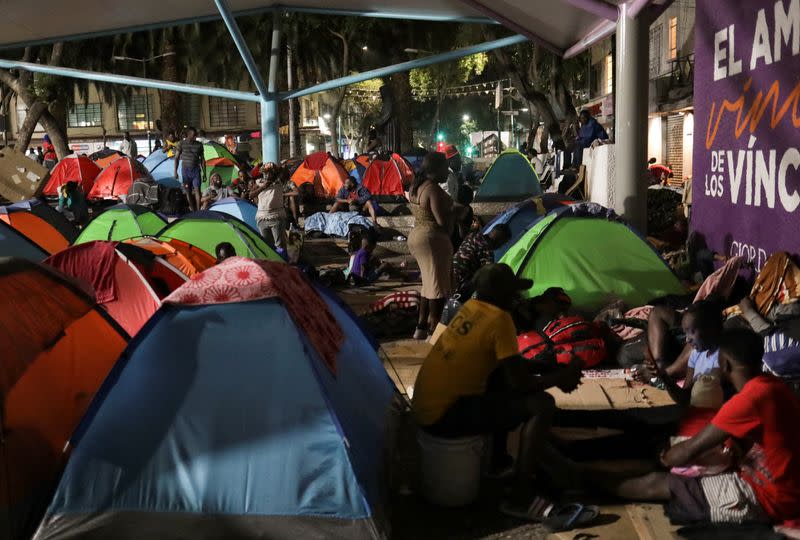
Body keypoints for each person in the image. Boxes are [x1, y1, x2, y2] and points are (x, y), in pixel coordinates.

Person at [412, 263, 584, 518]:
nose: (517, 299)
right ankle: (520, 495)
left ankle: (498, 461)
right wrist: (562, 376)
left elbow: (501, 362)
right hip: (445, 416)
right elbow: (522, 384)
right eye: (513, 293)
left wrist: (541, 365)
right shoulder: (500, 319)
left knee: (499, 380)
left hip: (426, 408)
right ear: (502, 295)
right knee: (541, 405)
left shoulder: (471, 308)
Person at [597, 328, 800, 525]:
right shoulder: (774, 385)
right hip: (779, 483)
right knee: (680, 458)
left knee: (659, 482)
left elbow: (688, 450)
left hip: (772, 499)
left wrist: (666, 457)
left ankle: (584, 479)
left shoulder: (750, 399)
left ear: (724, 363)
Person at [408, 152, 454, 339]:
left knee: (428, 284)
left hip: (417, 236)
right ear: (436, 169)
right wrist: (453, 212)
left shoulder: (416, 186)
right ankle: (433, 329)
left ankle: (420, 326)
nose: (448, 171)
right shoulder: (433, 189)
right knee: (438, 286)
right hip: (432, 238)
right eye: (445, 168)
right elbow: (440, 220)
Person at [639, 300, 724, 396]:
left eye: (691, 332)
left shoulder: (723, 359)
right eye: (685, 333)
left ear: (710, 329)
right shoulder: (695, 355)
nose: (687, 339)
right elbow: (685, 394)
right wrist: (663, 377)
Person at [452, 224, 512, 297]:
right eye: (503, 243)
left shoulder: (473, 235)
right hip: (458, 285)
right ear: (500, 241)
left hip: (446, 272)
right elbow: (489, 277)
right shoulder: (487, 251)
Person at [250, 163, 288, 250]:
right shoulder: (259, 182)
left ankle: (281, 262)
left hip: (276, 217)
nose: (267, 175)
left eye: (270, 172)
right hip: (262, 218)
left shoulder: (279, 181)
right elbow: (251, 195)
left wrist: (274, 166)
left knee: (280, 245)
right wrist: (263, 187)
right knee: (267, 246)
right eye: (265, 172)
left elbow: (284, 169)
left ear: (274, 173)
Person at [174, 127, 205, 212]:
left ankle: (198, 211)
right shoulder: (181, 144)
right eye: (193, 134)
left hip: (196, 171)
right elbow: (176, 158)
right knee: (188, 191)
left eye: (195, 134)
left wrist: (204, 172)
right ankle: (193, 209)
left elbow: (202, 159)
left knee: (197, 190)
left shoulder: (199, 145)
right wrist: (175, 172)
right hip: (185, 171)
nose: (195, 136)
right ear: (188, 134)